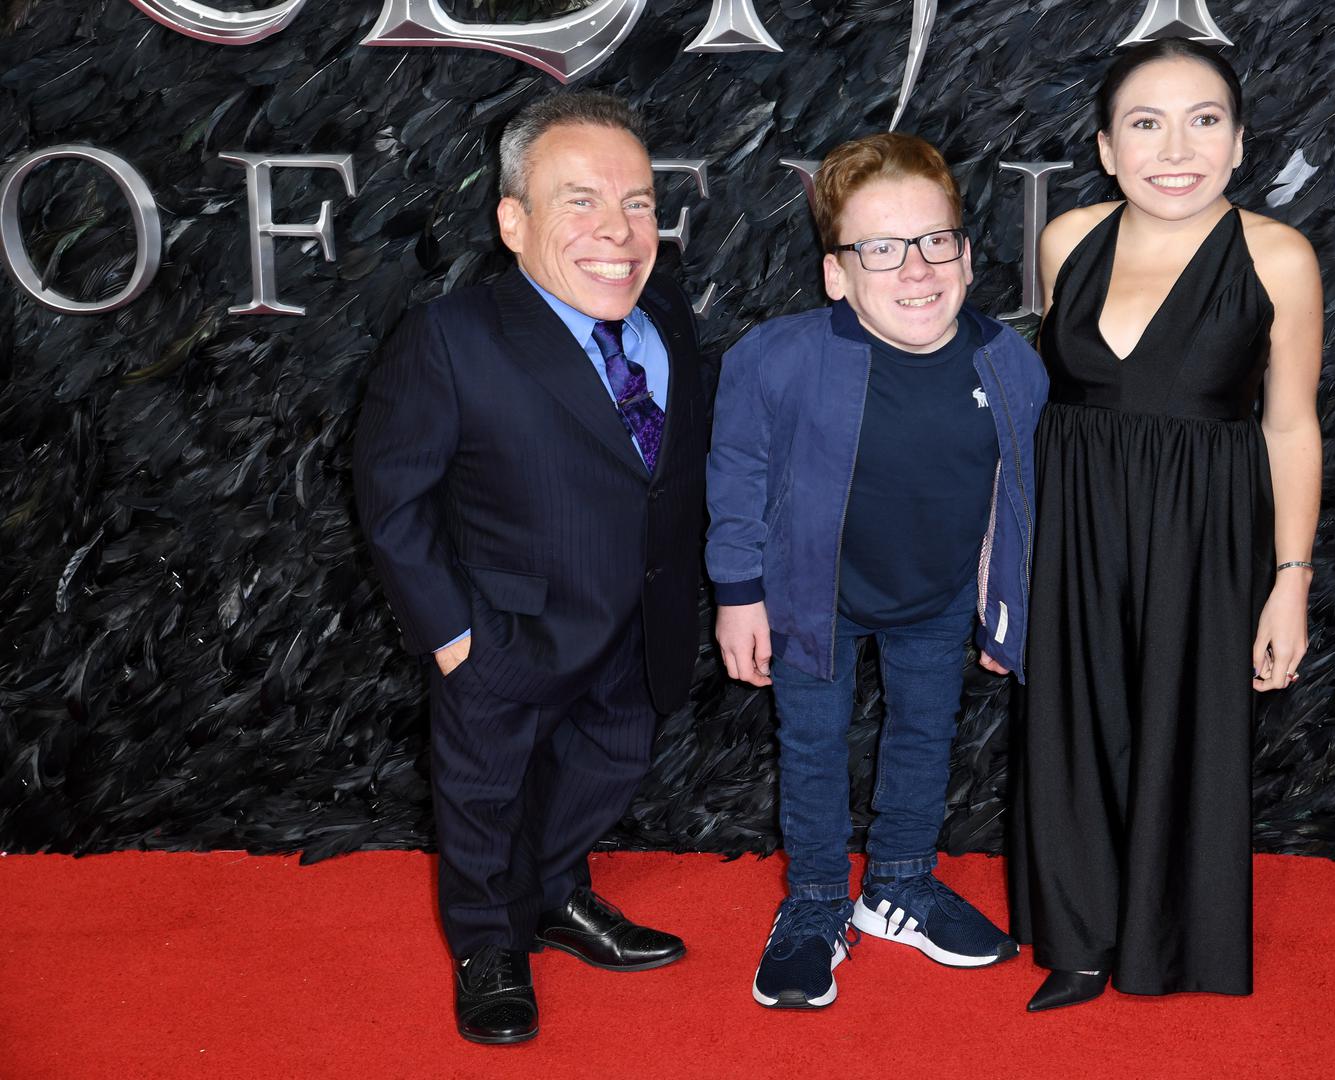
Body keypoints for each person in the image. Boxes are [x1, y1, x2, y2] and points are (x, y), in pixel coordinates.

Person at [353, 91, 707, 1044]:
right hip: (504, 632)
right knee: (484, 799)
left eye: (637, 202)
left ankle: (553, 896)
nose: (618, 231)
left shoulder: (666, 311)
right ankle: (486, 944)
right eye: (579, 201)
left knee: (602, 771)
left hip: (639, 624)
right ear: (512, 221)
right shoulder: (453, 336)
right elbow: (393, 498)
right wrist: (451, 634)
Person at [1010, 38, 1324, 1011]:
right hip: (1073, 525)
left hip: (1204, 535)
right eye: (1145, 124)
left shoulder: (1277, 256)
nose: (1175, 149)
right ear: (1107, 148)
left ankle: (1165, 940)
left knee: (1186, 731)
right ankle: (1077, 940)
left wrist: (1290, 581)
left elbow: (1289, 424)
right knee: (1071, 725)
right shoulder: (1065, 241)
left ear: (1238, 143)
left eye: (1204, 121)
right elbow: (1044, 404)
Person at [707, 133, 1049, 1008]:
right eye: (881, 249)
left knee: (924, 737)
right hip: (810, 597)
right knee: (812, 748)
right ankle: (817, 902)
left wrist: (1005, 606)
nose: (916, 268)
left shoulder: (1011, 364)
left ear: (965, 255)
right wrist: (738, 594)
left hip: (936, 597)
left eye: (935, 240)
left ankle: (898, 883)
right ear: (836, 274)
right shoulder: (774, 358)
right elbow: (736, 476)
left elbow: (1019, 497)